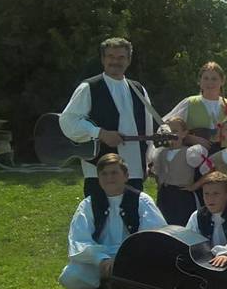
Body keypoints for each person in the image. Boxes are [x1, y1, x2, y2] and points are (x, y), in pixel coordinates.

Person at [59, 153, 167, 289]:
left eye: (114, 172)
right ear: (98, 178)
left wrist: (122, 259)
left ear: (126, 176)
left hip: (132, 259)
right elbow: (79, 239)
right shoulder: (88, 204)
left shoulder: (142, 200)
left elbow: (152, 236)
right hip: (100, 260)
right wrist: (101, 260)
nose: (109, 177)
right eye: (104, 174)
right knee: (71, 276)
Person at [59, 37, 157, 196]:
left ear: (128, 60)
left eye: (121, 57)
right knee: (99, 211)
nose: (115, 61)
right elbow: (68, 121)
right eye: (111, 56)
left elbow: (147, 130)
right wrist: (100, 133)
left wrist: (147, 162)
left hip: (133, 172)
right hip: (99, 173)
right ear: (103, 59)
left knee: (132, 211)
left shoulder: (138, 89)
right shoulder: (89, 87)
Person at [163, 61, 227, 152]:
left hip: (224, 156)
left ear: (222, 81)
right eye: (206, 78)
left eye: (214, 79)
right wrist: (190, 138)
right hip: (193, 155)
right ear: (199, 81)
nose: (210, 82)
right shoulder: (190, 103)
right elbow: (166, 128)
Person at [150, 117, 205, 226]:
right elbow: (158, 173)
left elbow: (208, 172)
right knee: (164, 224)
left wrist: (195, 186)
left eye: (175, 131)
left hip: (182, 196)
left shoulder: (190, 152)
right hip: (165, 195)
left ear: (184, 133)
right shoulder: (161, 153)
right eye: (169, 131)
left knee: (182, 224)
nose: (171, 134)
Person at [184, 171, 227, 246]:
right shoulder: (197, 216)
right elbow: (189, 243)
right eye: (206, 194)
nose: (210, 198)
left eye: (216, 194)